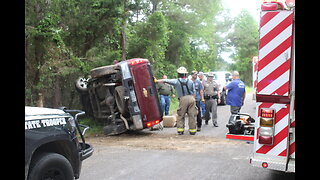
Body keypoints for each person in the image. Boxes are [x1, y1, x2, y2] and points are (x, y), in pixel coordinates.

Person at [156, 67, 197, 135]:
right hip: (191, 98)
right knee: (192, 115)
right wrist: (193, 100)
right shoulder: (190, 81)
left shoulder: (176, 81)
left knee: (181, 115)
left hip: (183, 99)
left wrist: (156, 80)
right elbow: (194, 92)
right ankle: (192, 130)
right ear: (185, 74)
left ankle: (180, 130)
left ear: (179, 74)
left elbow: (166, 80)